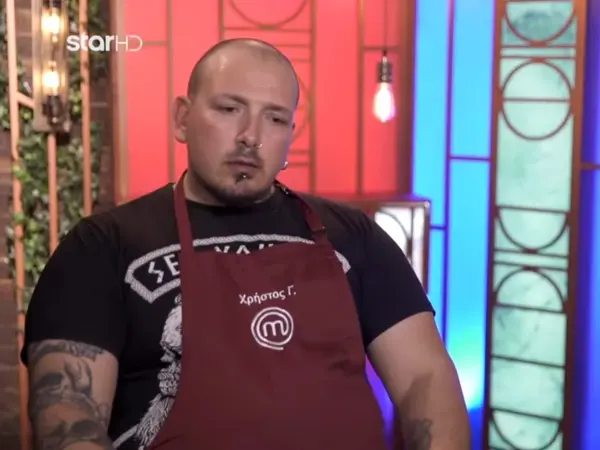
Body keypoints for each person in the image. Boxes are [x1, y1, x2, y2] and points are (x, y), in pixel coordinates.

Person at [21, 38, 470, 450]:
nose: (250, 135)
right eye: (229, 108)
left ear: (289, 135)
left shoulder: (355, 237)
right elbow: (70, 418)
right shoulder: (102, 246)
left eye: (274, 118)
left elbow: (424, 378)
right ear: (182, 118)